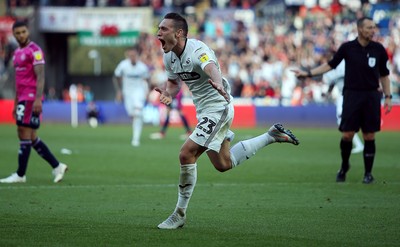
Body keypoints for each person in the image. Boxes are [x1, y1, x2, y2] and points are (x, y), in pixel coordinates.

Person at [155, 13, 299, 230]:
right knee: (223, 164)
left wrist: (217, 81)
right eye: (158, 29)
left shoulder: (197, 50)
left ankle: (179, 213)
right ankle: (271, 136)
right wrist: (168, 93)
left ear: (179, 33)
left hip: (219, 108)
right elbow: (174, 82)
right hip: (204, 111)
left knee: (186, 153)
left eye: (163, 29)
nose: (158, 33)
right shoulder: (169, 56)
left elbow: (210, 66)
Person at [292, 17, 392, 184]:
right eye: (369, 27)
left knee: (369, 135)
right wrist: (308, 73)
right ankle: (345, 166)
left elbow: (384, 75)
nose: (373, 30)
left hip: (371, 96)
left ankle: (368, 173)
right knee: (347, 135)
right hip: (352, 95)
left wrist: (388, 96)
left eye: (374, 28)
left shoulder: (379, 49)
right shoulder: (347, 48)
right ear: (360, 29)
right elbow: (330, 65)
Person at [0, 20, 68, 184]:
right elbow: (19, 80)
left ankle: (20, 174)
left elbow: (41, 76)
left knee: (23, 132)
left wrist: (38, 98)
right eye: (18, 33)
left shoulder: (35, 51)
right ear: (14, 34)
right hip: (22, 97)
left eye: (23, 32)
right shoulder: (17, 53)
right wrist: (16, 102)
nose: (21, 35)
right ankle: (57, 166)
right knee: (30, 136)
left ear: (28, 31)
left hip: (31, 97)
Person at [322, 60, 364, 154]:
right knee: (344, 121)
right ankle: (358, 144)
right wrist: (327, 93)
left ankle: (358, 144)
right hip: (346, 96)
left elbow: (334, 81)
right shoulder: (344, 67)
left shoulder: (342, 67)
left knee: (343, 121)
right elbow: (333, 83)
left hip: (346, 96)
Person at [113, 46, 150, 147]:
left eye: (134, 55)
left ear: (137, 55)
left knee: (138, 113)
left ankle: (135, 139)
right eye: (131, 55)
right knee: (132, 114)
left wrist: (148, 92)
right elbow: (116, 77)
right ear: (128, 55)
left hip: (139, 92)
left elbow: (147, 79)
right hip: (127, 93)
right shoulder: (123, 65)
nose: (132, 57)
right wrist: (119, 91)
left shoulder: (142, 67)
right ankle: (136, 131)